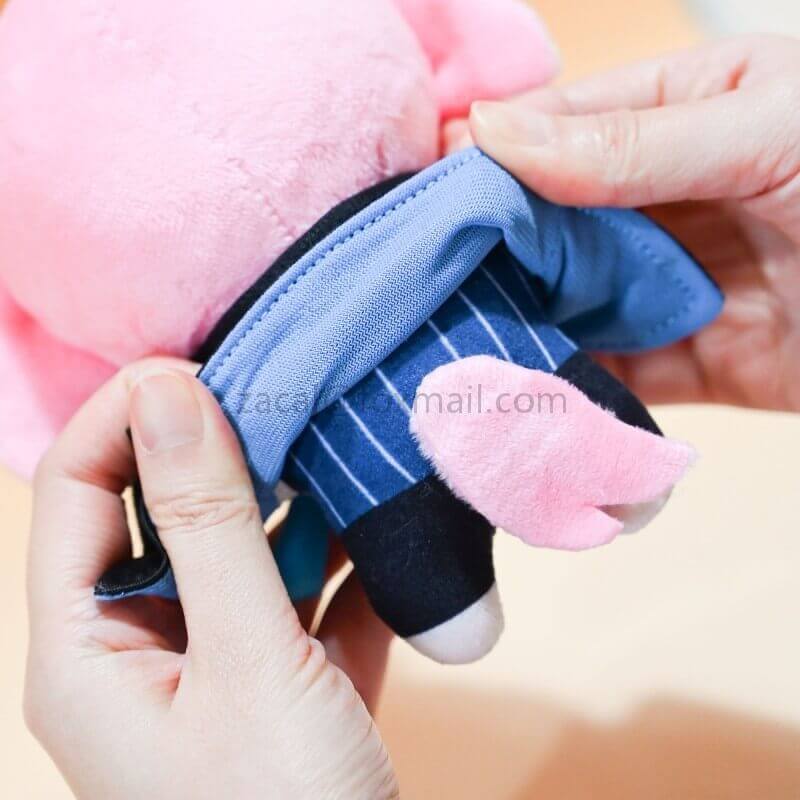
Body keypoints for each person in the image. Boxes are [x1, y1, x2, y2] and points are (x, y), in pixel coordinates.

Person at [25, 34, 799, 799]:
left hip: (320, 434)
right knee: (585, 442)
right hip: (463, 250)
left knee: (434, 593)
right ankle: (609, 471)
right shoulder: (481, 193)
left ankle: (463, 584)